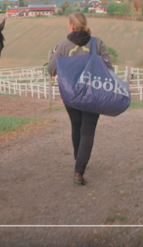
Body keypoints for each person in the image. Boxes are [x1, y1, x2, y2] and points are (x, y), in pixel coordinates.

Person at [47, 12, 113, 185]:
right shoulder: (97, 43)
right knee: (87, 132)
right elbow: (109, 69)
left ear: (70, 26)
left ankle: (79, 158)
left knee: (76, 127)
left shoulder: (62, 46)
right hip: (93, 95)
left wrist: (53, 55)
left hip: (71, 95)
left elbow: (51, 70)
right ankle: (79, 169)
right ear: (85, 25)